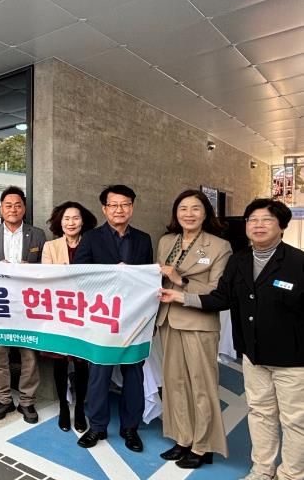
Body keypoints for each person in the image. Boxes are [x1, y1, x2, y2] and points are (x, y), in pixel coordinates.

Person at [161, 199, 304, 480]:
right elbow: (221, 298)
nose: (258, 226)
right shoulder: (241, 260)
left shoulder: (298, 262)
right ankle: (262, 471)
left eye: (267, 220)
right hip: (253, 353)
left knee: (294, 420)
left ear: (282, 226)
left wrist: (181, 282)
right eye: (253, 220)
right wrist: (179, 296)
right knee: (260, 413)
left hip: (292, 357)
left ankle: (291, 474)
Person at [72, 184, 152, 452]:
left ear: (132, 207)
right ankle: (97, 427)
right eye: (113, 205)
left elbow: (149, 279)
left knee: (134, 374)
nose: (119, 209)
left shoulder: (143, 239)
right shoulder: (91, 238)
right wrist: (111, 273)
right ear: (104, 209)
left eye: (125, 204)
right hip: (102, 318)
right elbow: (79, 276)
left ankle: (130, 428)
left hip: (134, 319)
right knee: (99, 374)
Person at [156, 190, 231, 469]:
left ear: (206, 213)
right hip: (168, 319)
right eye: (183, 208)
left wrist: (180, 280)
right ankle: (183, 438)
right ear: (176, 213)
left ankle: (203, 445)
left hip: (199, 322)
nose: (189, 214)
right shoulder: (166, 241)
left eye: (195, 208)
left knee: (202, 385)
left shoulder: (219, 246)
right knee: (174, 384)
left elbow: (217, 290)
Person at [0, 186, 46, 424]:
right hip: (0, 302)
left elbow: (48, 270)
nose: (13, 209)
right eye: (8, 205)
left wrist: (31, 269)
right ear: (1, 209)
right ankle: (3, 398)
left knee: (29, 353)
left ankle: (27, 401)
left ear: (24, 208)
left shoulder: (37, 234)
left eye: (17, 205)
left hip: (28, 303)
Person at [41, 201, 97, 432]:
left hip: (85, 312)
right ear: (60, 222)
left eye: (75, 218)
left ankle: (80, 408)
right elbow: (48, 278)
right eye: (66, 218)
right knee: (60, 362)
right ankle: (63, 407)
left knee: (82, 362)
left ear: (83, 221)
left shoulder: (93, 243)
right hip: (60, 311)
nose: (71, 223)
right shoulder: (50, 246)